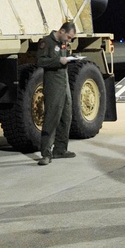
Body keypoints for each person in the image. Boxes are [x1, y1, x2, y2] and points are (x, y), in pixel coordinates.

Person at [35, 21, 78, 165]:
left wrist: (71, 59)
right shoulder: (46, 42)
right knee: (52, 117)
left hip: (64, 83)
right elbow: (40, 61)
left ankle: (60, 149)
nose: (69, 40)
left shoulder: (62, 44)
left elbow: (63, 58)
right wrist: (58, 60)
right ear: (62, 31)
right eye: (69, 37)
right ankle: (46, 153)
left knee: (66, 116)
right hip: (53, 84)